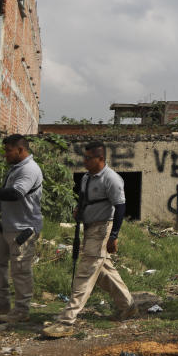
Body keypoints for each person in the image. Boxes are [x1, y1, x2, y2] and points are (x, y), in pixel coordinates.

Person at [43, 142, 136, 338]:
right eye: (84, 158)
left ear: (100, 159)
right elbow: (84, 198)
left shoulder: (112, 179)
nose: (84, 161)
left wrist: (114, 236)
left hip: (103, 229)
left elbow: (120, 207)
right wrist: (79, 210)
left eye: (88, 158)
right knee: (103, 271)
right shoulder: (86, 177)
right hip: (89, 228)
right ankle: (128, 307)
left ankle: (66, 321)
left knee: (85, 273)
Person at [0, 134, 44, 323]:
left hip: (23, 229)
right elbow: (11, 196)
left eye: (8, 151)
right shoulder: (17, 168)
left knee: (20, 270)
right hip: (8, 226)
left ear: (20, 150)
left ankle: (22, 310)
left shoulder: (29, 169)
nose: (5, 155)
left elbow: (15, 194)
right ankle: (2, 303)